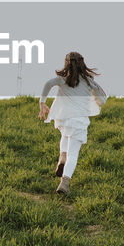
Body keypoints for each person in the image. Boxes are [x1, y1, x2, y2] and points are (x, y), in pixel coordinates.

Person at [38, 51, 106, 195]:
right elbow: (103, 99)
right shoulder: (89, 80)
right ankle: (65, 182)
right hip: (79, 120)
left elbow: (48, 83)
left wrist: (42, 103)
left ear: (66, 63)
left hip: (64, 118)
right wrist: (95, 96)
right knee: (73, 153)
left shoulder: (63, 78)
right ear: (83, 64)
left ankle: (62, 159)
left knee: (65, 135)